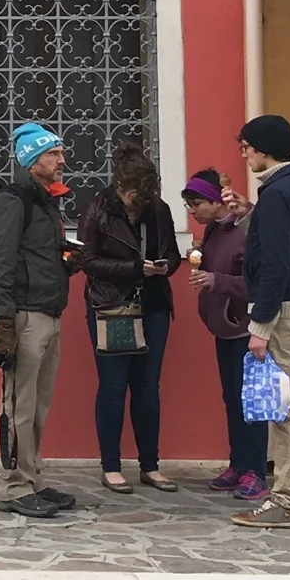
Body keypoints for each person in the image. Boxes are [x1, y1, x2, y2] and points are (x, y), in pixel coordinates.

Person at [0, 121, 81, 520]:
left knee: (37, 404)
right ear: (31, 160)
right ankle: (13, 486)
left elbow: (36, 258)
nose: (62, 160)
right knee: (18, 404)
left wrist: (68, 263)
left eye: (60, 152)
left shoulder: (45, 203)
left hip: (48, 312)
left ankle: (32, 477)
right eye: (53, 154)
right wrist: (3, 322)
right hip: (23, 317)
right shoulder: (13, 203)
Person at [231, 114, 290, 531]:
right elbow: (289, 244)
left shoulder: (277, 193)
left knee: (285, 408)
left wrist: (260, 325)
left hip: (282, 309)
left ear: (264, 149)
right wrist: (252, 215)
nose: (245, 154)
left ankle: (288, 501)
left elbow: (274, 262)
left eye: (246, 147)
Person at [77, 142, 184, 494]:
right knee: (112, 386)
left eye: (145, 198)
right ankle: (111, 466)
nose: (138, 204)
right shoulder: (97, 209)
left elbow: (172, 251)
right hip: (112, 306)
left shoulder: (159, 209)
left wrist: (166, 265)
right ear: (121, 188)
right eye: (133, 197)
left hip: (153, 304)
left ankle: (150, 465)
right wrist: (136, 268)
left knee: (147, 387)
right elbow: (88, 262)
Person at [181, 167, 263, 498]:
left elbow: (256, 283)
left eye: (196, 203)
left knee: (251, 402)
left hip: (245, 330)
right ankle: (238, 463)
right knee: (231, 399)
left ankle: (256, 470)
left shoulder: (243, 233)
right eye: (188, 205)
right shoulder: (214, 231)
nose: (193, 211)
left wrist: (216, 281)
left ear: (216, 201)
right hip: (223, 329)